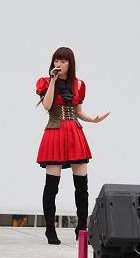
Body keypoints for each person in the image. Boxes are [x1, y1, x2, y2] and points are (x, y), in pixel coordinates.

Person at [36, 47, 110, 245]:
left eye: (63, 61)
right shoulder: (45, 82)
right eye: (56, 61)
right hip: (54, 132)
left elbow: (78, 111)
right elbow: (47, 105)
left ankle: (82, 229)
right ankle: (50, 229)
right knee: (52, 186)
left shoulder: (78, 84)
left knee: (82, 186)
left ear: (70, 63)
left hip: (75, 133)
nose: (59, 64)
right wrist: (53, 80)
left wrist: (93, 120)